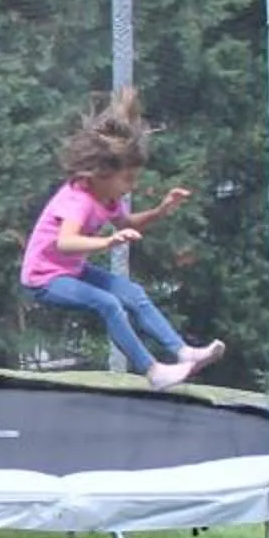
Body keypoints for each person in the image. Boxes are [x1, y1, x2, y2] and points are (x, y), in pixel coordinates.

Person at [20, 87, 225, 388]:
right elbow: (65, 242)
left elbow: (127, 223)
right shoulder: (79, 199)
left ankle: (183, 352)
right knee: (108, 304)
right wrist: (107, 243)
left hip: (71, 269)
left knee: (132, 293)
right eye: (128, 179)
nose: (131, 186)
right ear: (103, 173)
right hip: (44, 278)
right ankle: (153, 371)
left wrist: (161, 210)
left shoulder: (108, 199)